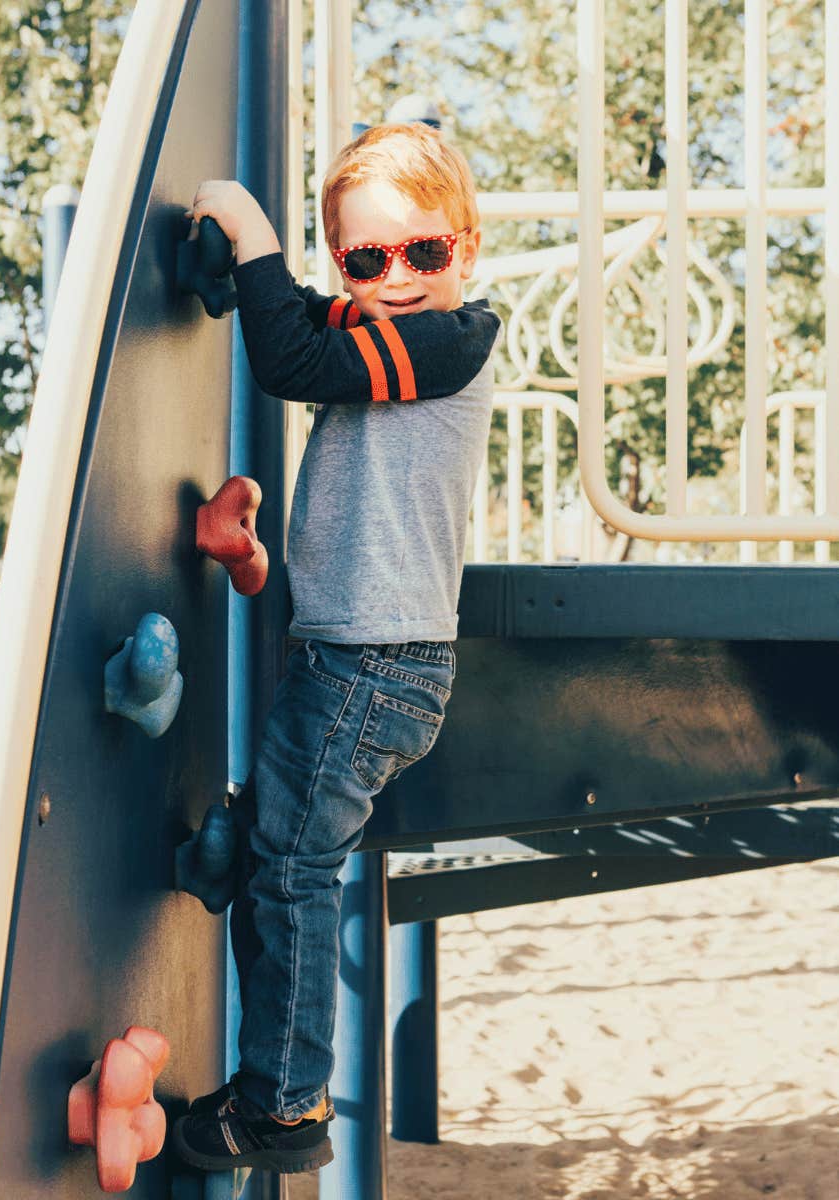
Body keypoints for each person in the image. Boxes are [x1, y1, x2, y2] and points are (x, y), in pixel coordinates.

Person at [172, 122, 501, 1175]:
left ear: (467, 249)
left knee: (294, 870)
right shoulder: (377, 332)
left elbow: (291, 354)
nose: (399, 280)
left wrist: (252, 236)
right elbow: (305, 327)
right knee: (275, 856)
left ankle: (284, 1108)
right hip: (345, 661)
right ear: (344, 266)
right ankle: (270, 1072)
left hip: (374, 668)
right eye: (368, 260)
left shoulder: (453, 340)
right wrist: (238, 286)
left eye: (424, 253)